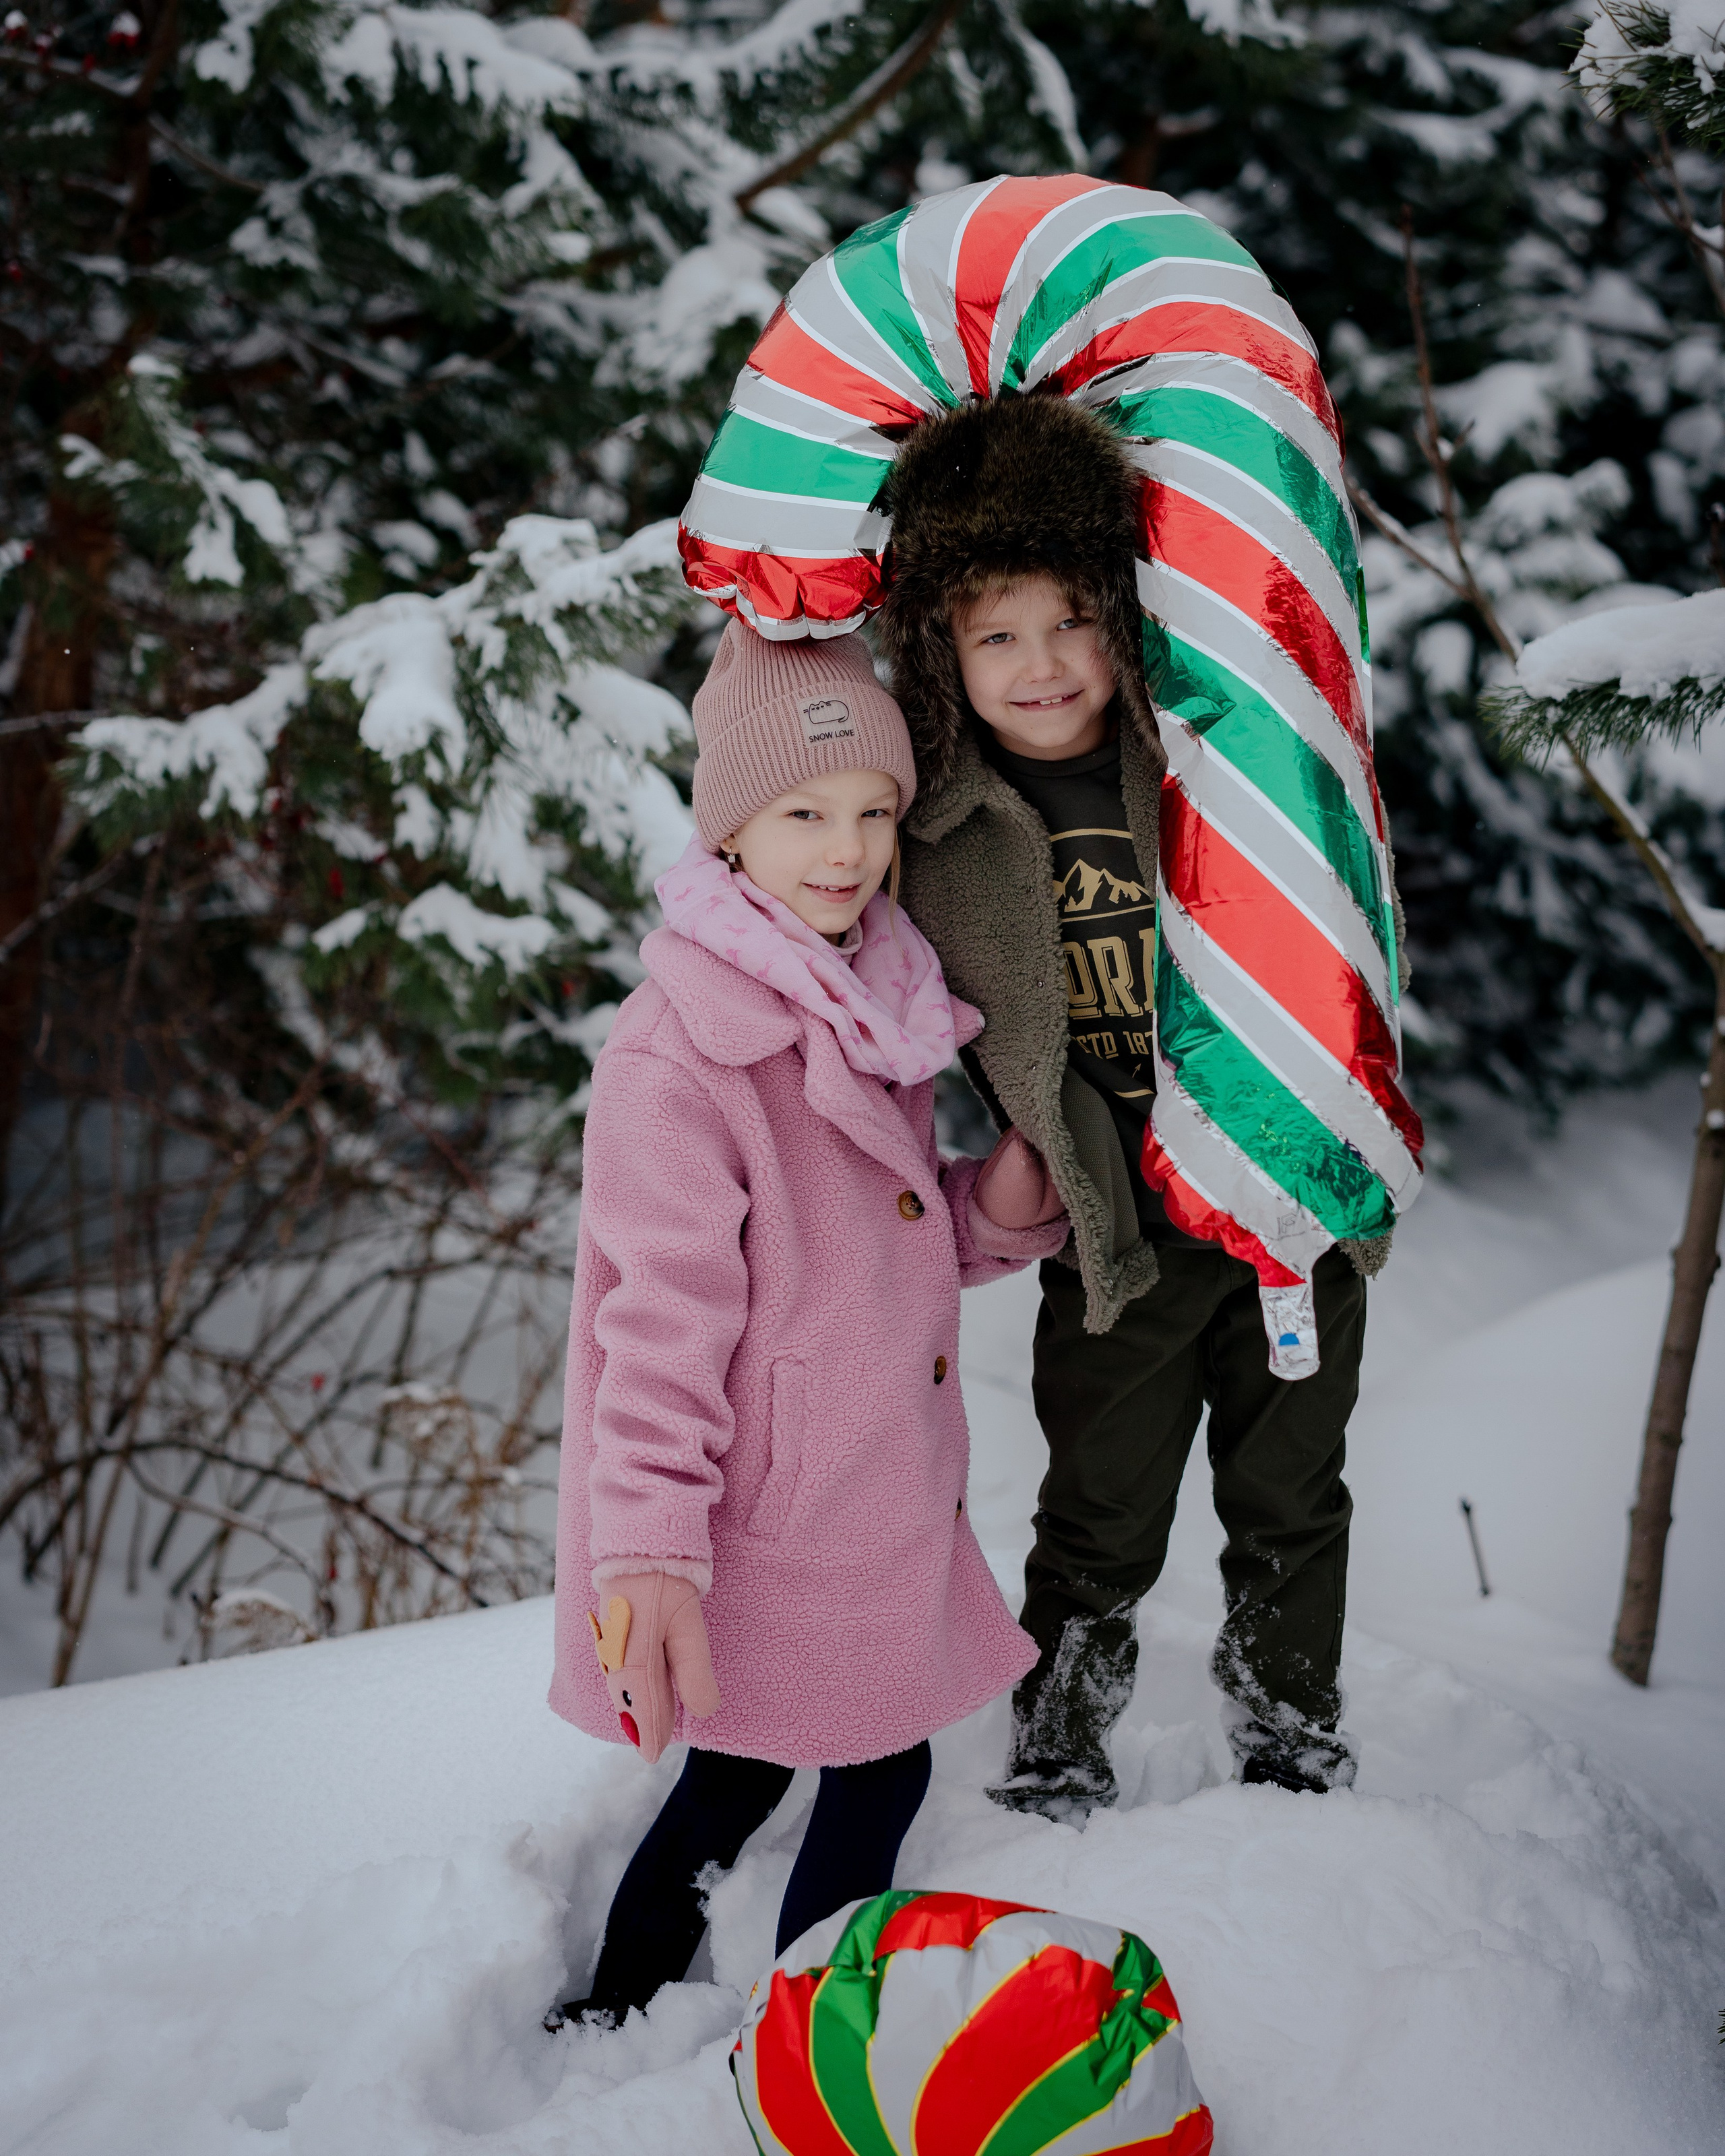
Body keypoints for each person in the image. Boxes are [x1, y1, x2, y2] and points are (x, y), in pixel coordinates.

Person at [877, 393, 1406, 1816]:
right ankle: (1058, 1733)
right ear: (941, 648)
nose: (1042, 664)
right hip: (1114, 1219)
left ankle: (1287, 1723)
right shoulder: (933, 826)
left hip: (1281, 1197)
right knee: (1098, 1504)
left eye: (1070, 622)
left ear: (1122, 617)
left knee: (1290, 1486)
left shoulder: (1212, 765)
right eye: (996, 634)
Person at [544, 619, 1068, 2028]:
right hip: (767, 1509)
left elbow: (866, 1254)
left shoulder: (864, 992)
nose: (842, 849)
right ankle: (818, 2035)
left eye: (871, 813)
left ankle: (616, 2008)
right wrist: (644, 1546)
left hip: (858, 1485)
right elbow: (655, 1328)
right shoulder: (686, 1052)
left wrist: (994, 1206)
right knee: (870, 1766)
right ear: (728, 832)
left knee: (741, 1770)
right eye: (800, 814)